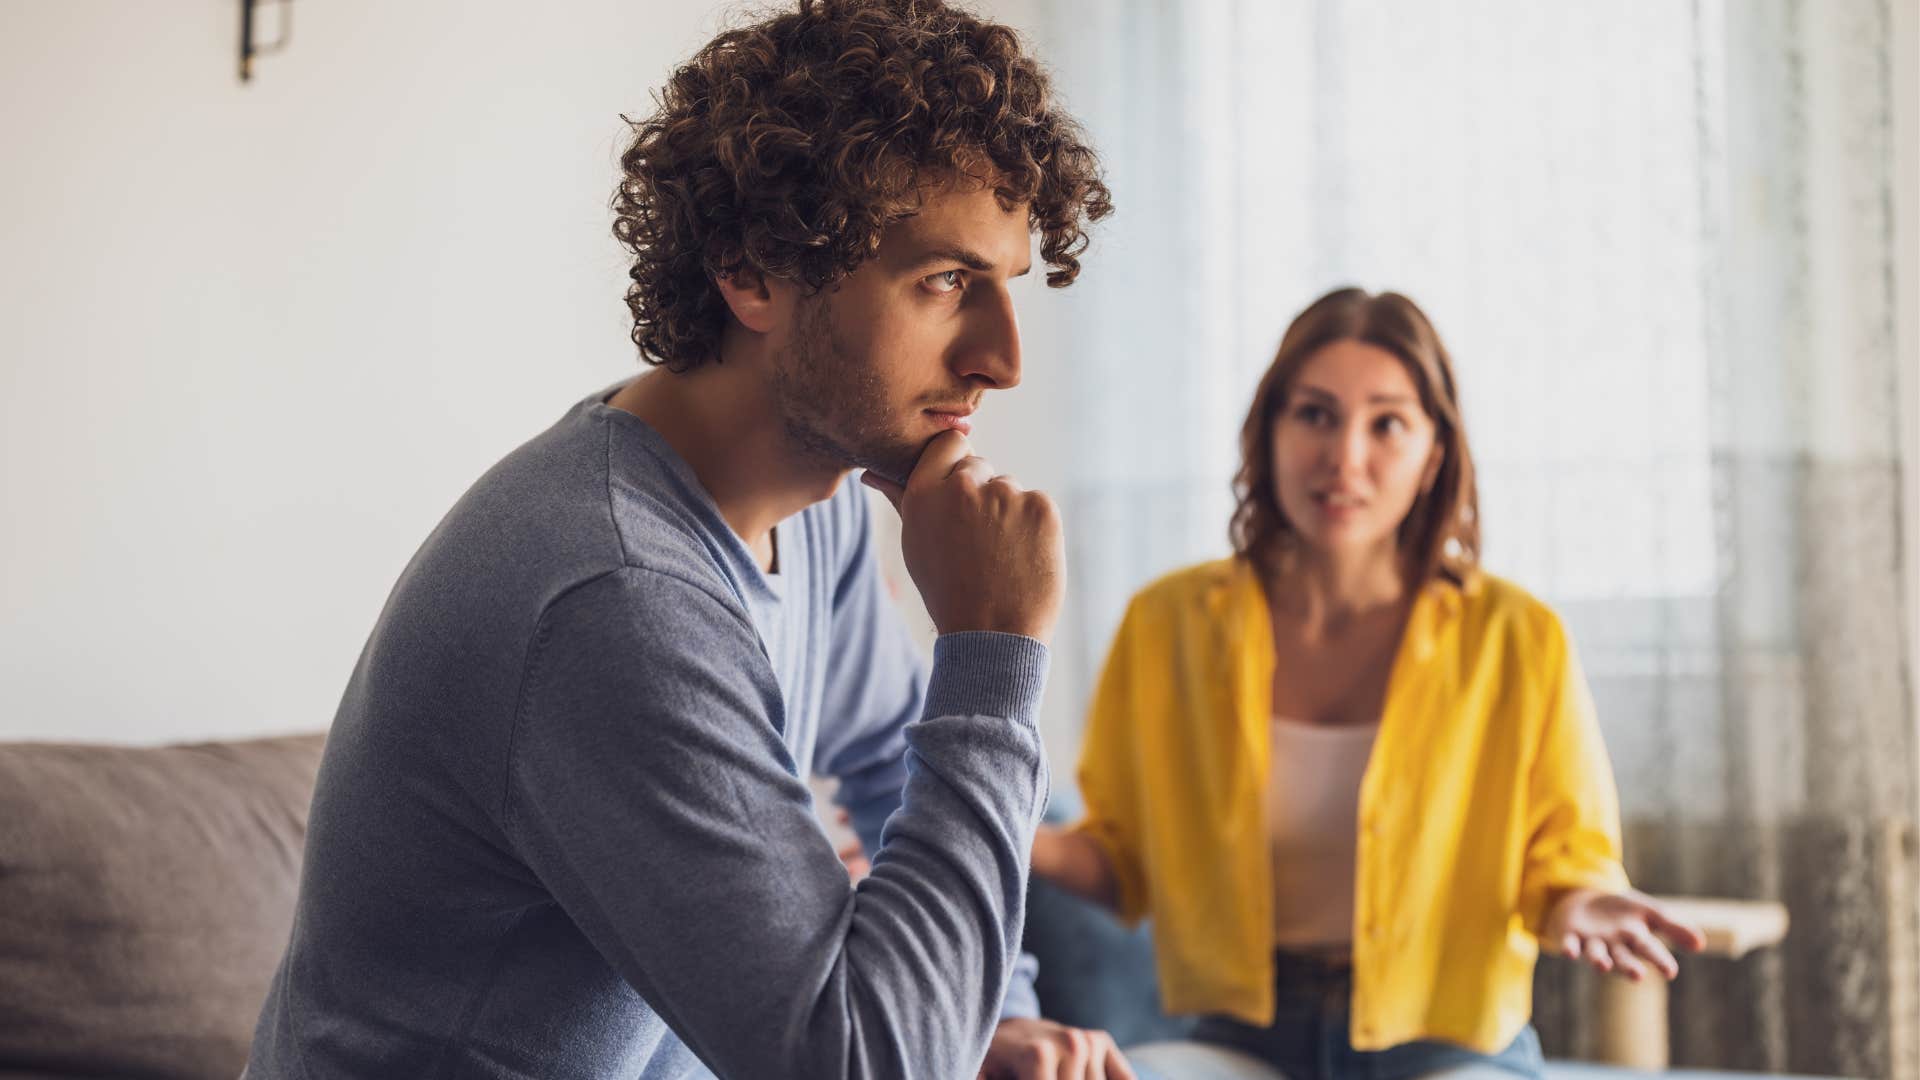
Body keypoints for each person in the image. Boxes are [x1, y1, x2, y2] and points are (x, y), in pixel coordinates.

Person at [244, 2, 1130, 1076]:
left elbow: (896, 762)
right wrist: (993, 657)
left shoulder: (823, 513)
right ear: (751, 271)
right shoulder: (611, 596)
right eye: (945, 282)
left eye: (1006, 285)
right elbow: (862, 1063)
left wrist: (995, 1017)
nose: (1004, 358)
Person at [1029, 288, 1706, 1080]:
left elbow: (1565, 857)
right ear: (1268, 434)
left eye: (1387, 423)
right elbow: (1125, 864)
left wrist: (1584, 902)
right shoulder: (1165, 624)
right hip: (1239, 1033)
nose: (1344, 456)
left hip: (1450, 1038)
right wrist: (1004, 834)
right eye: (1314, 414)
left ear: (1434, 454)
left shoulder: (1517, 636)